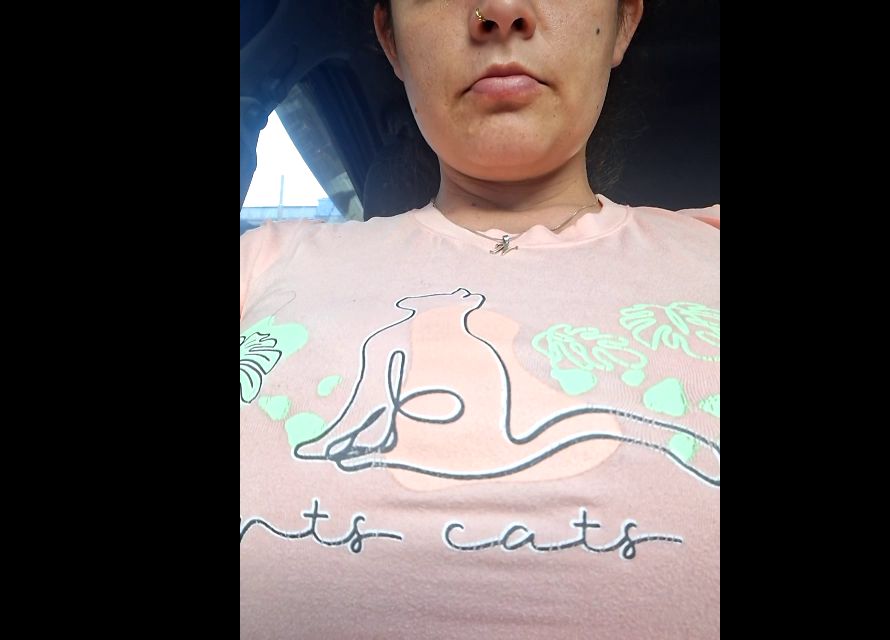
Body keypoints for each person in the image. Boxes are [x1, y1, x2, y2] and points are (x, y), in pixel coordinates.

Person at [241, 1, 719, 637]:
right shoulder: (265, 264)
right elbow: (363, 409)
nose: (501, 10)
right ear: (391, 39)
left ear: (623, 22)